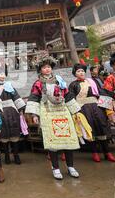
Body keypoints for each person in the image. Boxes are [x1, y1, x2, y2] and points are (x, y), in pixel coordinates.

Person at [26, 52, 81, 180]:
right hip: (48, 112)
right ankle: (55, 168)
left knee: (69, 141)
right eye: (44, 67)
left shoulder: (59, 80)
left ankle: (70, 166)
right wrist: (35, 114)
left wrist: (75, 111)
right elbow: (34, 98)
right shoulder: (38, 83)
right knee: (53, 143)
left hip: (63, 111)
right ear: (40, 70)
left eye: (49, 67)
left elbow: (67, 95)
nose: (47, 69)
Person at [68, 64, 115, 163]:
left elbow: (102, 93)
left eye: (82, 71)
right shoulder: (73, 85)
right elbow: (71, 99)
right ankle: (94, 152)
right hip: (83, 109)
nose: (81, 73)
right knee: (90, 129)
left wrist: (108, 110)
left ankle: (107, 152)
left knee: (102, 127)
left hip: (97, 107)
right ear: (75, 74)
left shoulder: (93, 81)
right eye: (78, 71)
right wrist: (75, 112)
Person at [0, 71, 26, 165]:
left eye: (3, 74)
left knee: (14, 132)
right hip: (0, 111)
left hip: (12, 112)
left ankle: (16, 155)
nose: (2, 76)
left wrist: (21, 110)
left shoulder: (10, 86)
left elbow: (16, 97)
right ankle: (7, 155)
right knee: (3, 134)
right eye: (0, 74)